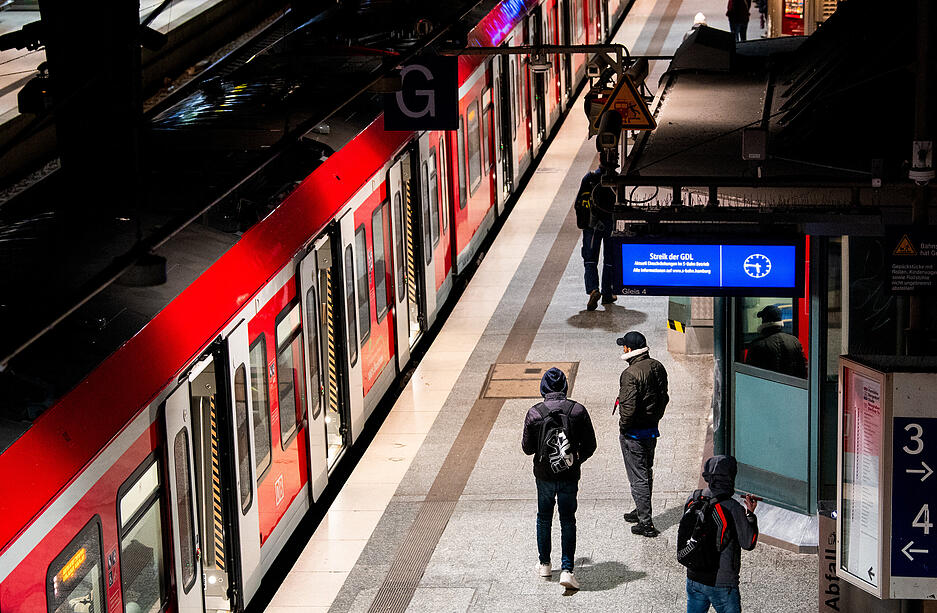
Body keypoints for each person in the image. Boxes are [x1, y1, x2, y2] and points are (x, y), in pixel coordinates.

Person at [522, 367, 597, 591]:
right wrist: (574, 460)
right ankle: (567, 569)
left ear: (544, 386)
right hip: (569, 476)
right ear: (564, 386)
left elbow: (526, 448)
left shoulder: (534, 413)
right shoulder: (577, 410)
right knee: (567, 519)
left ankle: (545, 564)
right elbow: (591, 445)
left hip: (543, 475)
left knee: (544, 517)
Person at [685, 455, 759, 613]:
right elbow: (748, 542)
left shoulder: (694, 498)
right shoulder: (733, 508)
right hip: (722, 582)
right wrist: (750, 515)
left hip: (694, 576)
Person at [615, 330, 668, 537]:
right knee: (646, 471)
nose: (622, 349)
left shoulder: (630, 374)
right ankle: (641, 508)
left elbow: (627, 408)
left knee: (638, 476)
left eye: (624, 346)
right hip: (651, 429)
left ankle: (645, 522)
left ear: (629, 349)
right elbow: (664, 397)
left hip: (634, 433)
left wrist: (623, 427)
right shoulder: (657, 366)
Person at [576, 150, 618, 311]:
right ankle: (608, 293)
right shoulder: (617, 179)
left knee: (590, 260)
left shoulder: (590, 178)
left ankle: (593, 289)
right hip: (611, 225)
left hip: (592, 226)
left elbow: (579, 203)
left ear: (600, 159)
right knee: (610, 260)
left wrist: (583, 223)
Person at [744, 305, 807, 378]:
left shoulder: (756, 345)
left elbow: (749, 374)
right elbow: (803, 368)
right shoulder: (794, 341)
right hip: (791, 387)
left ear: (764, 323)